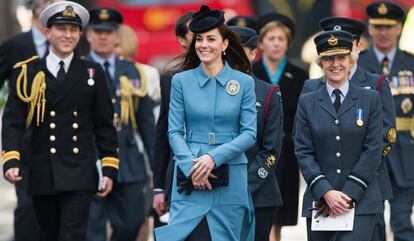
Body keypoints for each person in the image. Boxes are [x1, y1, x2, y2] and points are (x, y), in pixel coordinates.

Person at [2, 2, 119, 241]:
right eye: (61, 29)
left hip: (80, 171)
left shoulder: (93, 73)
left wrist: (109, 167)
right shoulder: (29, 72)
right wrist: (11, 158)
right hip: (42, 170)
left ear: (80, 34)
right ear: (48, 32)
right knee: (49, 235)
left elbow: (104, 125)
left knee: (71, 235)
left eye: (73, 30)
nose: (67, 35)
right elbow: (13, 120)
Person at [154, 5, 256, 241]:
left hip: (230, 176)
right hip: (190, 174)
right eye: (199, 39)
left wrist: (213, 158)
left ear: (225, 44)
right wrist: (191, 167)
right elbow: (174, 131)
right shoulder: (180, 81)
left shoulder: (243, 83)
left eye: (211, 39)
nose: (203, 44)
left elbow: (249, 133)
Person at [302, 16, 397, 241]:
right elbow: (303, 147)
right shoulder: (309, 93)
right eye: (329, 57)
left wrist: (351, 189)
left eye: (342, 56)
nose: (336, 63)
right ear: (321, 61)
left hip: (364, 189)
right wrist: (325, 189)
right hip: (321, 196)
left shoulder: (373, 91)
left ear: (353, 54)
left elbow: (380, 141)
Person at [83, 7, 155, 241]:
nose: (103, 36)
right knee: (91, 229)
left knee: (132, 222)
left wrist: (156, 167)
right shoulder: (77, 68)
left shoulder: (132, 71)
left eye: (109, 31)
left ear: (117, 36)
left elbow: (146, 125)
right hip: (89, 158)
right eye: (98, 31)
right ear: (88, 34)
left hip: (128, 160)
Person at [0, 1, 60, 240]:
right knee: (28, 207)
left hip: (65, 143)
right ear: (36, 10)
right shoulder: (14, 46)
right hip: (27, 144)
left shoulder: (70, 41)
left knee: (59, 210)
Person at [358, 2, 414, 241]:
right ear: (369, 28)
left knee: (402, 222)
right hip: (370, 151)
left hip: (406, 151)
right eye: (378, 26)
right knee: (373, 224)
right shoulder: (356, 63)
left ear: (399, 28)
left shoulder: (411, 63)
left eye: (388, 27)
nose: (383, 32)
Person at [252, 12, 307, 241]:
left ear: (288, 43)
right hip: (256, 150)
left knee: (282, 209)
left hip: (287, 150)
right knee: (257, 206)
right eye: (271, 38)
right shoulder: (251, 72)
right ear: (261, 42)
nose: (276, 43)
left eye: (281, 39)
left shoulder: (299, 74)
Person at [229, 25, 283, 241]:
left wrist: (245, 187)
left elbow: (271, 151)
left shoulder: (268, 92)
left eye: (239, 51)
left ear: (253, 54)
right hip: (219, 191)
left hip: (258, 193)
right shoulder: (209, 89)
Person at [151, 11, 194, 226]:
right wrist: (158, 187)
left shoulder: (227, 75)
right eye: (194, 33)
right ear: (181, 40)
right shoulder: (170, 78)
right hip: (176, 173)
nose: (201, 39)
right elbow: (162, 133)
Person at [115, 24, 161, 103]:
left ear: (128, 44)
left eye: (116, 45)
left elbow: (155, 104)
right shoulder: (102, 69)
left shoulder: (149, 72)